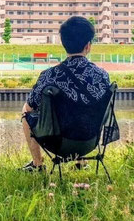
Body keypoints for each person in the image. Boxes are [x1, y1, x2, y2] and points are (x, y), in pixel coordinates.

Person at [20, 16, 111, 172]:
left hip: (58, 143)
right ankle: (81, 162)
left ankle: (37, 164)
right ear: (88, 46)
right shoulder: (102, 75)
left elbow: (30, 108)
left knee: (25, 112)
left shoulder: (49, 75)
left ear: (63, 44)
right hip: (91, 141)